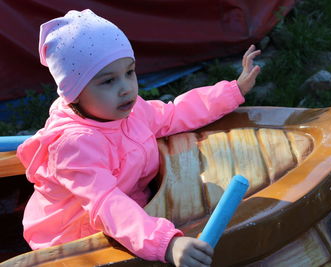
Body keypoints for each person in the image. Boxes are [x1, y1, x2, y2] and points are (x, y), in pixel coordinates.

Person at [17, 9, 261, 267]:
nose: (125, 88)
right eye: (108, 81)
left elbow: (173, 114)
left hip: (132, 218)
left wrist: (232, 92)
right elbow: (107, 204)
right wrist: (166, 243)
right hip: (74, 240)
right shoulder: (75, 146)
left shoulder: (131, 111)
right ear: (74, 94)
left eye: (129, 72)